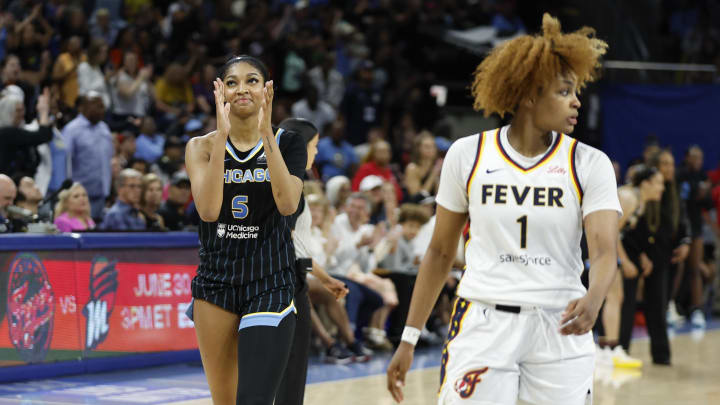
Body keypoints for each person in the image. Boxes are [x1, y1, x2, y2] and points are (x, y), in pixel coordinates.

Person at [387, 14, 621, 404]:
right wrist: (409, 338)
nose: (577, 101)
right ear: (530, 95)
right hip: (484, 319)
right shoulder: (468, 154)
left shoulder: (589, 163)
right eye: (565, 92)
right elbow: (440, 252)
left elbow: (604, 249)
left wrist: (595, 296)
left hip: (560, 324)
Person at [184, 55, 306, 405]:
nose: (242, 89)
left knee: (254, 399)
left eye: (252, 80)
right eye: (232, 82)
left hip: (269, 279)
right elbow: (207, 211)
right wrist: (222, 135)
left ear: (267, 90)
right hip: (216, 280)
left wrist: (266, 132)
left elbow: (287, 205)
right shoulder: (201, 147)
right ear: (219, 91)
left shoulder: (289, 142)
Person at [275, 117, 349, 405]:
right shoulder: (293, 187)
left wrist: (324, 277)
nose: (316, 153)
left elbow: (292, 246)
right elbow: (290, 246)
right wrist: (322, 277)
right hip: (290, 282)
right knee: (293, 367)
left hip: (276, 279)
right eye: (314, 146)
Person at [615, 166, 669, 365]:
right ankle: (611, 350)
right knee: (614, 299)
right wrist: (625, 261)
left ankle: (616, 351)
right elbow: (610, 230)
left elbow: (623, 235)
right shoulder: (629, 198)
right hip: (590, 244)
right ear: (645, 183)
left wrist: (639, 256)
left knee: (619, 298)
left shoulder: (641, 202)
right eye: (658, 183)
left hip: (608, 247)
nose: (662, 188)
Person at [63, 91, 114, 220]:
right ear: (82, 107)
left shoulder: (104, 128)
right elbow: (65, 162)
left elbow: (108, 160)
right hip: (80, 196)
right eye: (96, 105)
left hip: (102, 194)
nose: (101, 109)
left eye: (102, 106)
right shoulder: (72, 130)